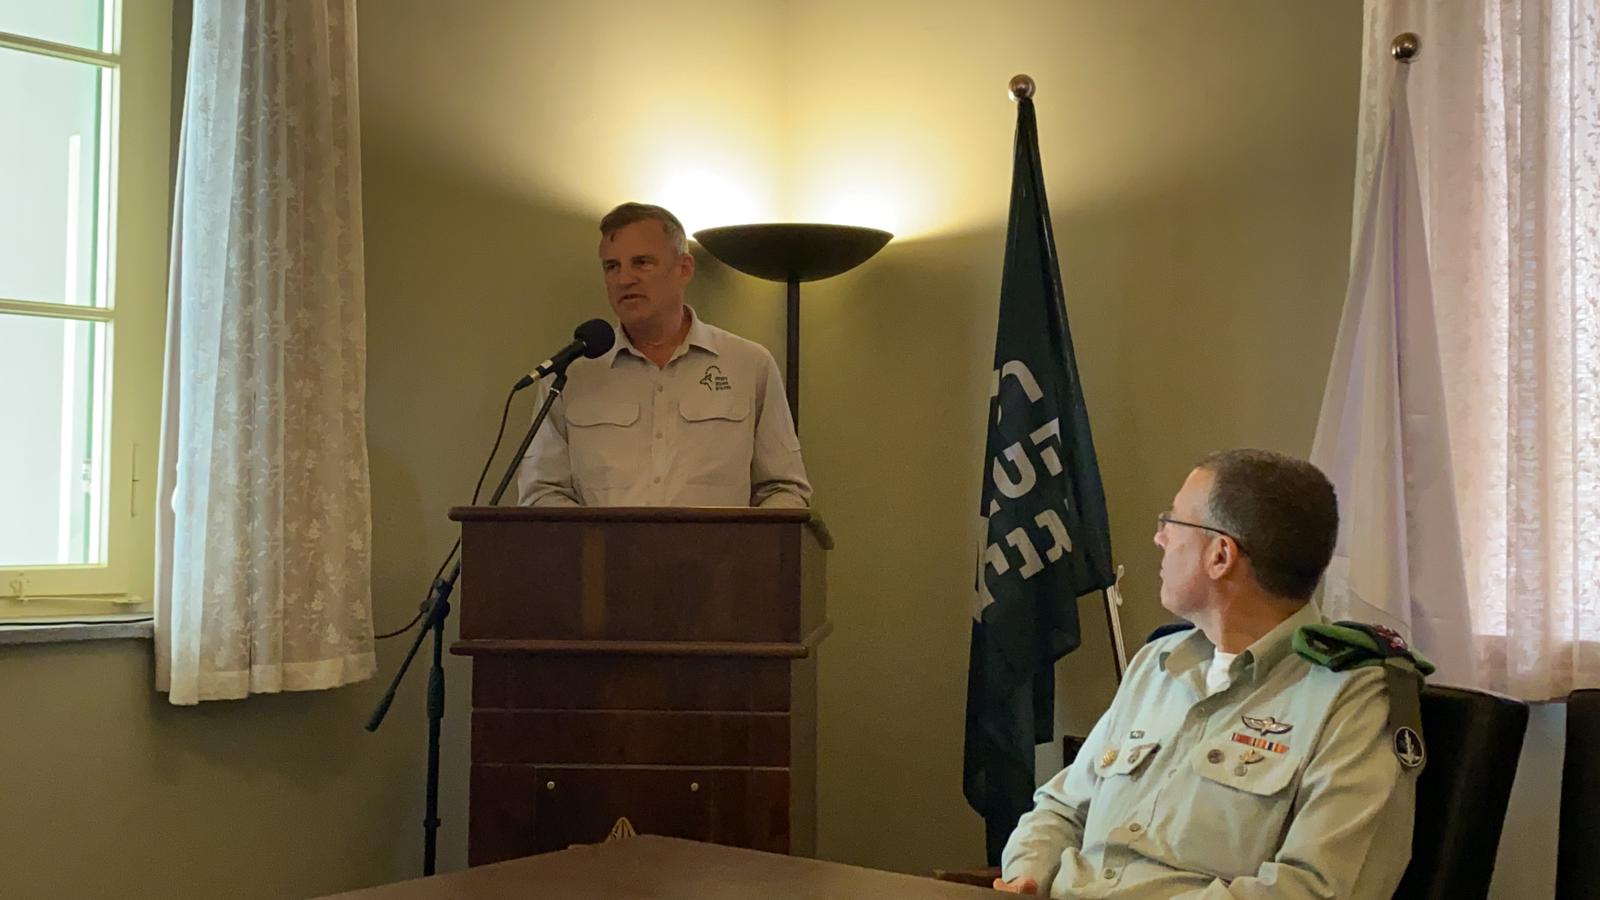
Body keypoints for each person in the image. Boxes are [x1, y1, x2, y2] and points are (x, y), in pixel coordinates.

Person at [995, 449, 1422, 898]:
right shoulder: (1158, 663)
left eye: (1173, 521)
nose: (1160, 537)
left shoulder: (1354, 696)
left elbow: (1317, 890)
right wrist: (1028, 876)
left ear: (1221, 555)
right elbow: (1060, 809)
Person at [517, 203, 811, 508]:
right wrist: (595, 538)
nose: (624, 279)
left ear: (684, 268)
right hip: (598, 542)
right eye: (612, 266)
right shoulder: (569, 375)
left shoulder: (749, 365)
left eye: (641, 263)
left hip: (720, 542)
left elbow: (783, 488)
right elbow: (542, 492)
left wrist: (747, 538)